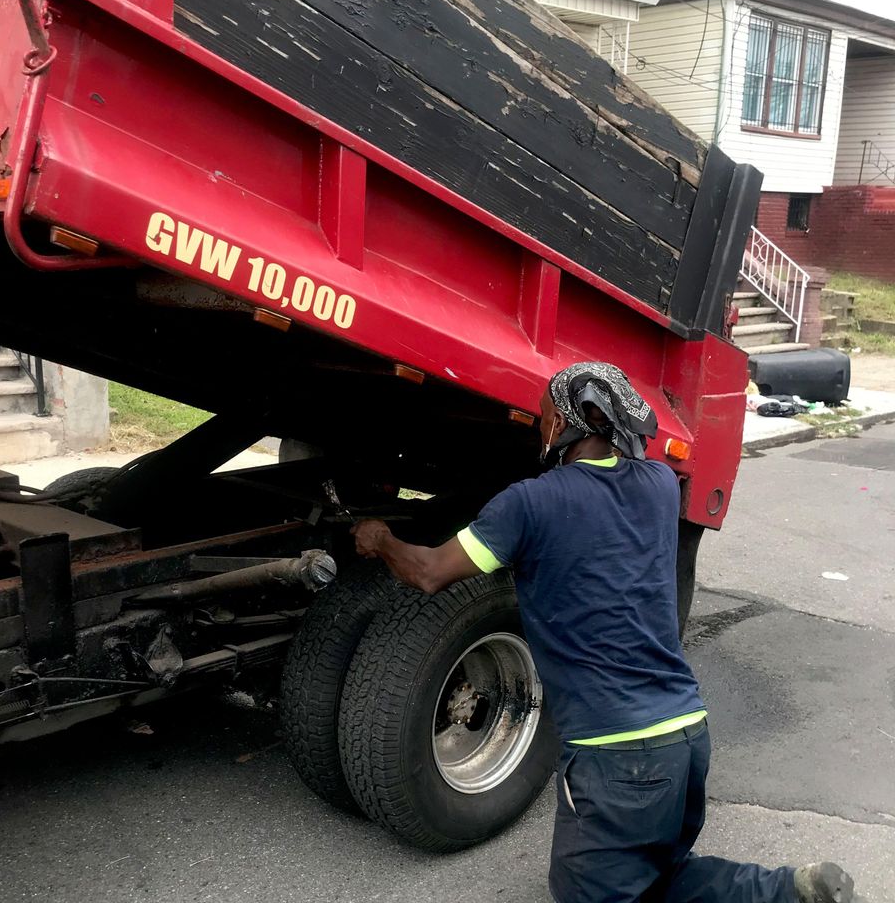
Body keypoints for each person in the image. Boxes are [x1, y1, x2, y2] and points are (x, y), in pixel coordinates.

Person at [351, 361, 858, 903]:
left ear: (567, 423)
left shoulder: (528, 504)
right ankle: (791, 892)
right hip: (686, 732)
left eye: (542, 417)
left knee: (587, 893)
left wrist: (379, 538)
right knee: (658, 877)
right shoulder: (661, 485)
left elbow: (429, 572)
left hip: (617, 754)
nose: (537, 428)